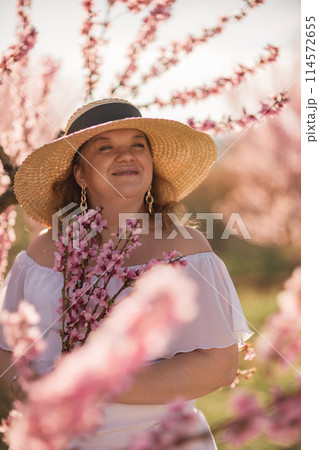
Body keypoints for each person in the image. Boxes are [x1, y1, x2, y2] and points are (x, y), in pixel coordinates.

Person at [0, 98, 253, 449]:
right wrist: (35, 397)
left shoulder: (186, 248)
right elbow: (7, 351)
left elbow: (219, 366)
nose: (127, 155)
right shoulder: (42, 252)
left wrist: (93, 385)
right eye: (106, 147)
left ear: (150, 163)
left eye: (138, 145)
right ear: (80, 172)